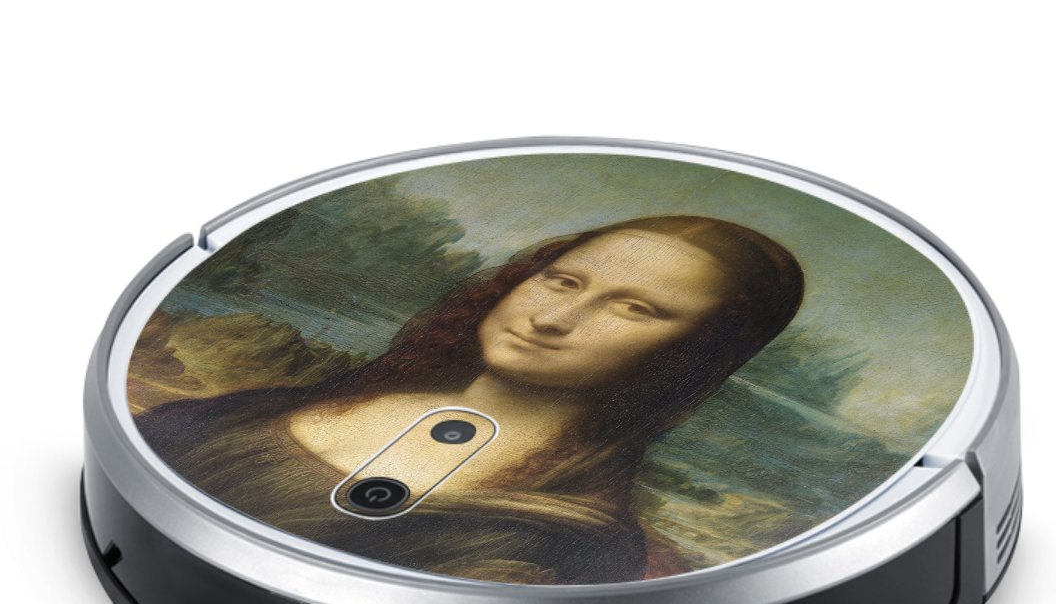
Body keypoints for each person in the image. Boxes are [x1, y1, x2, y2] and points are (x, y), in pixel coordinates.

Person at [135, 215, 804, 584]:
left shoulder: (558, 537)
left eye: (634, 309)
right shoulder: (301, 405)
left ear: (692, 353)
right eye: (563, 281)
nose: (554, 319)